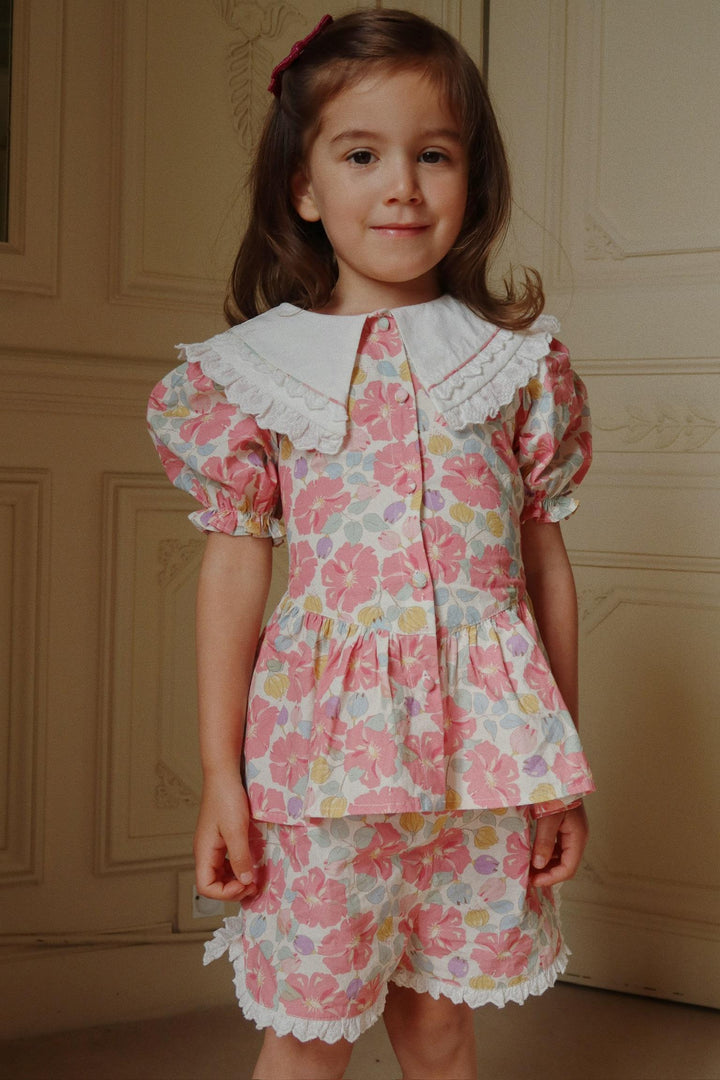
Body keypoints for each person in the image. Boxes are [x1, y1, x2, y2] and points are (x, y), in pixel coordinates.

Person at [147, 10, 595, 1079]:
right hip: (324, 759)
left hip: (488, 759)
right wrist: (219, 774)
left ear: (472, 179)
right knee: (309, 1032)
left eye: (433, 155)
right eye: (361, 155)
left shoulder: (514, 366)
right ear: (303, 188)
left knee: (440, 1025)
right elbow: (235, 564)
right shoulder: (257, 374)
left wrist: (560, 771)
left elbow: (543, 565)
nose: (402, 187)